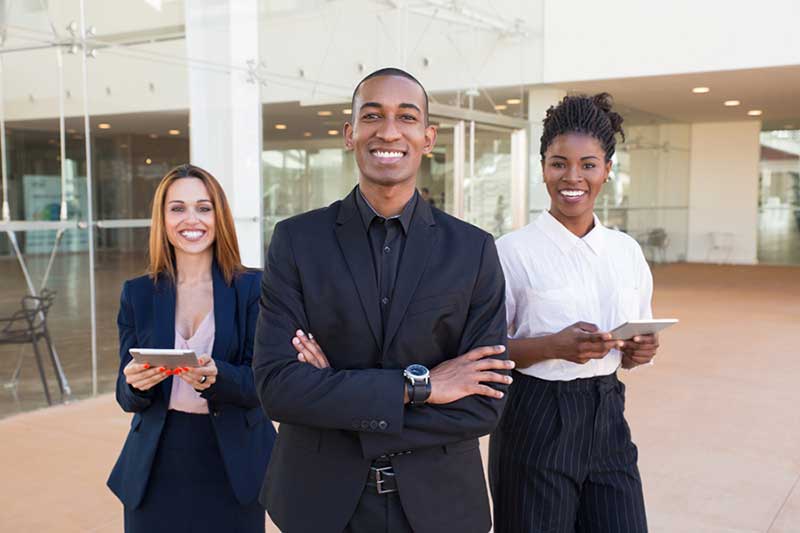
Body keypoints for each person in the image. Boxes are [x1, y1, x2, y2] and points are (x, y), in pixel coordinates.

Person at [253, 67, 514, 533]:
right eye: (372, 116)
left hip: (441, 509)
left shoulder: (473, 250)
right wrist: (421, 387)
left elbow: (483, 404)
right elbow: (278, 388)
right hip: (320, 505)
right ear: (350, 134)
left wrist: (334, 394)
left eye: (406, 117)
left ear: (428, 137)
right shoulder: (296, 242)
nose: (389, 132)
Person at [489, 93, 658, 533]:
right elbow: (485, 350)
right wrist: (553, 346)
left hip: (608, 416)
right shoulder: (511, 252)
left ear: (607, 169)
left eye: (588, 164)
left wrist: (639, 351)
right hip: (535, 420)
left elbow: (635, 338)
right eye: (559, 163)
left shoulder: (626, 251)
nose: (572, 177)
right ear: (542, 166)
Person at [107, 164, 276, 533]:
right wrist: (135, 384)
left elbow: (266, 383)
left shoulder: (254, 288)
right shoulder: (138, 293)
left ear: (219, 216)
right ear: (163, 219)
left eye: (203, 207)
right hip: (156, 464)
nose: (191, 219)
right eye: (177, 208)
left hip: (235, 465)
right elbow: (126, 396)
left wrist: (218, 377)